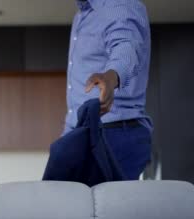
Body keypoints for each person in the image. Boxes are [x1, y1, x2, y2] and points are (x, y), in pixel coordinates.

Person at [63, 0, 152, 180]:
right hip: (83, 133)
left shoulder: (118, 5)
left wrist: (111, 77)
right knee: (61, 203)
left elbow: (127, 47)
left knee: (103, 207)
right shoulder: (83, 15)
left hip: (113, 133)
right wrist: (67, 136)